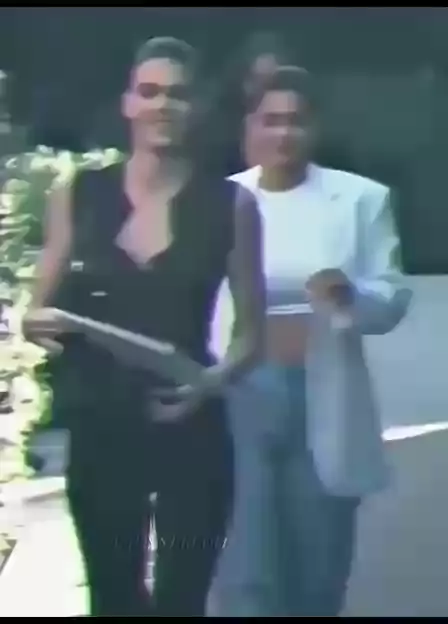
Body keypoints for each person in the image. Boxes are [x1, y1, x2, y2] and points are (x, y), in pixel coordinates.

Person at [23, 37, 265, 617]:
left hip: (192, 421)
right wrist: (43, 323)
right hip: (101, 425)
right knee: (112, 598)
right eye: (150, 92)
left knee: (184, 599)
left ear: (196, 107)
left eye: (177, 94)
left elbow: (251, 334)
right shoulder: (79, 192)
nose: (162, 105)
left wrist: (211, 382)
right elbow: (37, 309)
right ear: (128, 103)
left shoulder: (232, 204)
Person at [210, 66, 412, 616]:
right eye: (270, 120)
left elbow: (391, 298)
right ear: (249, 127)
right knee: (244, 563)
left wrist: (349, 294)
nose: (283, 133)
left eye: (296, 121)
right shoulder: (220, 201)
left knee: (318, 562)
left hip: (322, 392)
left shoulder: (359, 199)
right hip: (239, 394)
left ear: (315, 128)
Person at [208, 30, 296, 176]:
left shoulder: (301, 135)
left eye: (274, 82)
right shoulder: (217, 140)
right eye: (260, 81)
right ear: (245, 83)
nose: (267, 91)